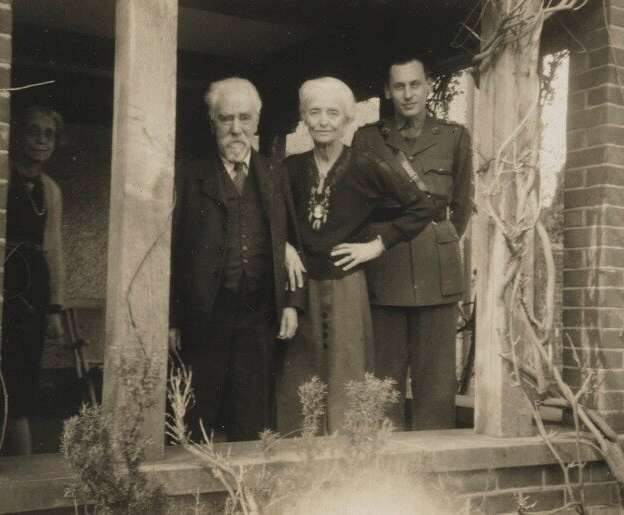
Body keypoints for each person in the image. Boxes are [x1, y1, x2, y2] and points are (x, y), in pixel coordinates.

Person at [276, 77, 434, 434]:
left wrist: (376, 245)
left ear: (347, 119)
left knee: (348, 379)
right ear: (304, 117)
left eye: (333, 113)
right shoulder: (289, 169)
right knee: (300, 383)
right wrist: (283, 246)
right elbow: (276, 220)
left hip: (348, 285)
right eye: (314, 112)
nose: (323, 121)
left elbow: (421, 205)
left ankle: (349, 464)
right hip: (301, 289)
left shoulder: (366, 165)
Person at [169, 77, 306, 442]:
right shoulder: (189, 174)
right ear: (212, 121)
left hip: (259, 313)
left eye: (244, 118)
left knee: (252, 418)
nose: (236, 129)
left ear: (256, 122)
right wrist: (171, 318)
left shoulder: (275, 174)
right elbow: (173, 250)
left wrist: (292, 304)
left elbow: (293, 240)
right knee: (196, 412)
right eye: (226, 118)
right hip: (205, 313)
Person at [351, 53, 472, 430]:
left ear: (429, 85)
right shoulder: (368, 138)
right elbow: (359, 205)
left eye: (415, 84)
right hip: (386, 265)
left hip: (437, 271)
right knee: (383, 379)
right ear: (388, 91)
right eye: (399, 86)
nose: (407, 94)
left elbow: (462, 206)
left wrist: (439, 242)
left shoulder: (454, 137)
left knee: (435, 383)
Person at [0, 106, 66, 455]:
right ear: (17, 134)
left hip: (33, 292)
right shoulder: (2, 175)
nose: (40, 140)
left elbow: (53, 249)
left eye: (48, 134)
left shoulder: (50, 190)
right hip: (1, 285)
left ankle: (22, 465)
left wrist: (55, 309)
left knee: (23, 379)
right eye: (32, 131)